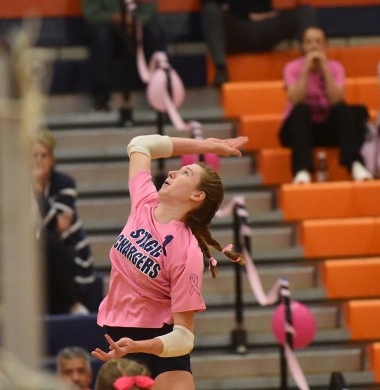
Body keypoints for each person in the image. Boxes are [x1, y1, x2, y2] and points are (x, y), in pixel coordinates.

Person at [90, 133, 248, 389]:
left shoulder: (187, 252)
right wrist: (207, 146)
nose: (173, 172)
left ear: (197, 196)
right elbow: (140, 144)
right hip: (115, 336)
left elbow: (184, 337)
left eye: (186, 173)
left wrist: (141, 346)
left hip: (161, 347)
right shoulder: (144, 202)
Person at [81, 0, 166, 112]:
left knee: (154, 30)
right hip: (109, 35)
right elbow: (91, 14)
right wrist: (117, 18)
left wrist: (134, 21)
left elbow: (149, 10)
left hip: (136, 32)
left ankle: (161, 90)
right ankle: (102, 95)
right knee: (101, 33)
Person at [278, 26, 373, 184]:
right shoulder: (292, 68)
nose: (314, 46)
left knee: (343, 109)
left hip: (328, 129)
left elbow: (337, 100)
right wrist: (306, 70)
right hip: (299, 129)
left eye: (318, 41)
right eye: (308, 42)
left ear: (326, 45)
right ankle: (302, 170)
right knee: (301, 109)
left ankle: (355, 164)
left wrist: (325, 70)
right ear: (302, 46)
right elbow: (295, 100)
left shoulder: (336, 68)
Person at [32, 129, 94, 315]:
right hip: (38, 257)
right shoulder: (18, 185)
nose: (38, 160)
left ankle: (74, 305)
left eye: (43, 155)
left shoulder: (65, 183)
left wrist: (37, 192)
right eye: (33, 156)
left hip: (72, 255)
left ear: (52, 159)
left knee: (50, 240)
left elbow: (56, 227)